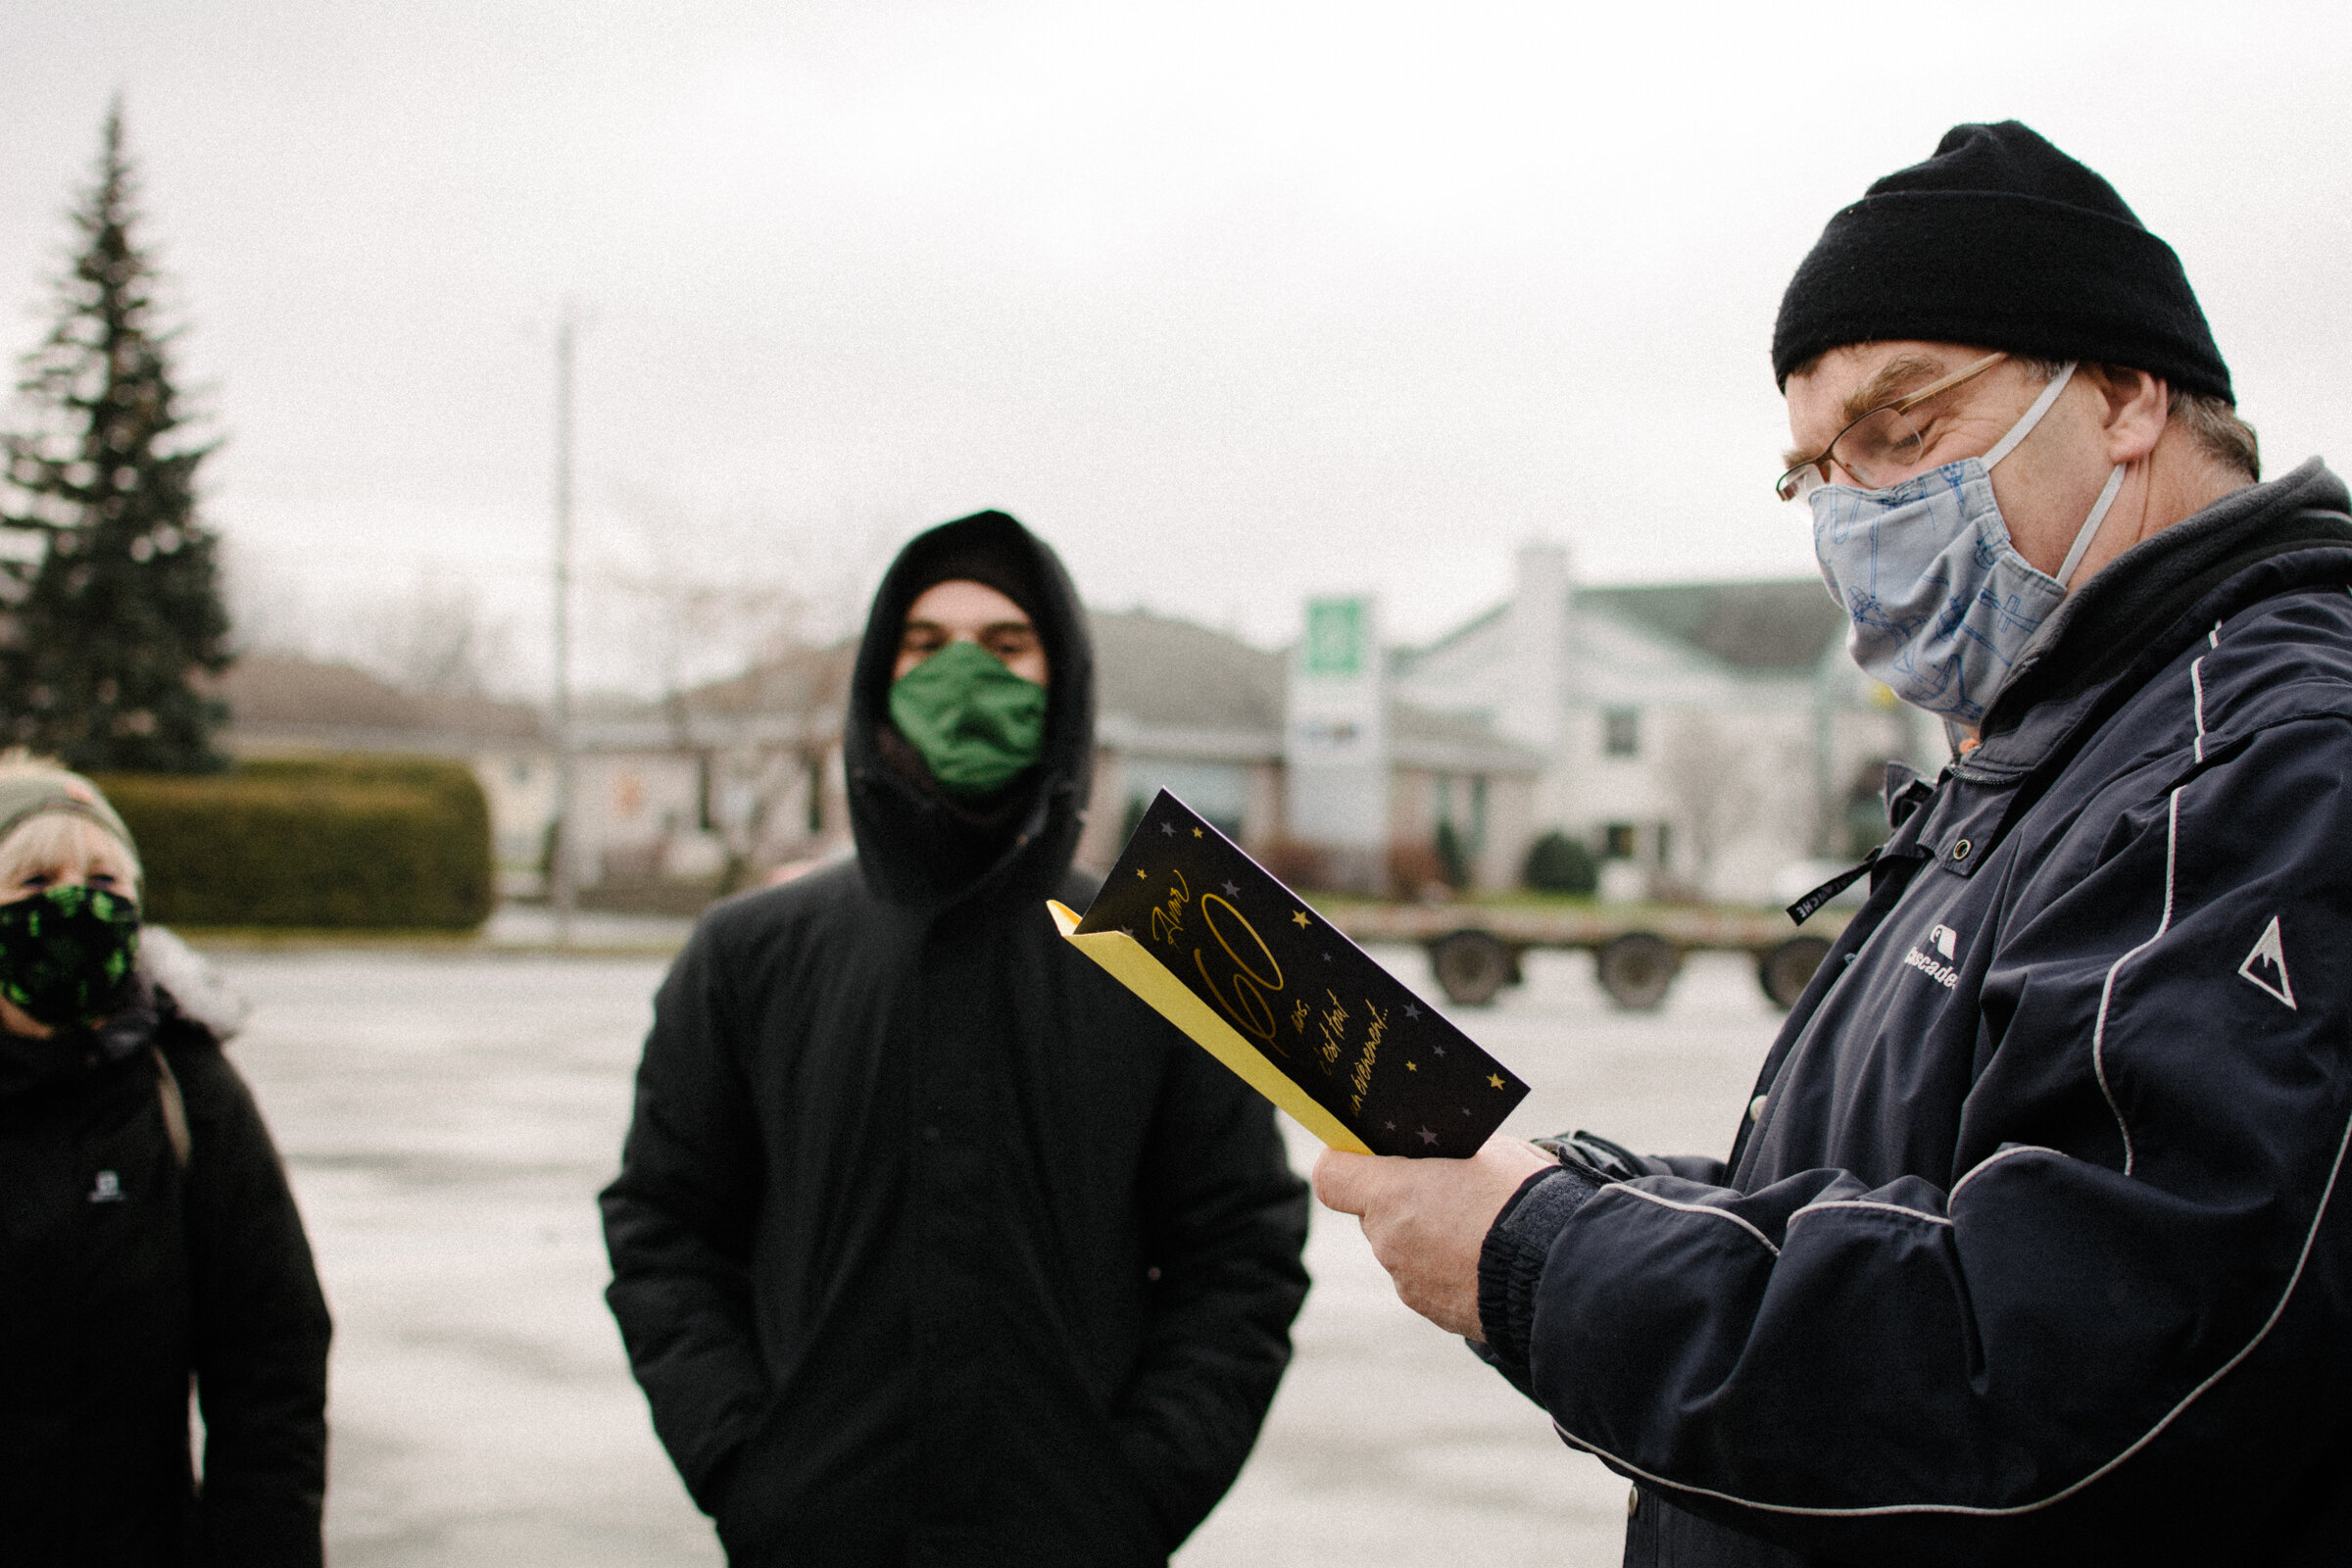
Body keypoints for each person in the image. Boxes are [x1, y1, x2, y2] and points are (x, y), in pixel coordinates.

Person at [1316, 122, 2352, 1564]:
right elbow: (1891, 1193)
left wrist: (1541, 1260)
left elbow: (2057, 1360)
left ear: (2123, 393)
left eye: (1901, 430)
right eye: (1818, 471)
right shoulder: (2055, 749)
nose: (1857, 510)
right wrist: (1586, 1192)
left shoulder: (2267, 765)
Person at [601, 509, 1311, 1566]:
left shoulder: (1167, 958)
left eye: (1006, 645)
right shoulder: (747, 954)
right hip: (812, 1531)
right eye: (927, 646)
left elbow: (1240, 1252)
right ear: (878, 682)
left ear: (1061, 681)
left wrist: (1141, 1491)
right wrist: (746, 1464)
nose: (963, 673)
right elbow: (664, 1226)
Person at [0, 755, 332, 1565]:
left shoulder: (186, 1090)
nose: (76, 901)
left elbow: (271, 1364)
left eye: (106, 881)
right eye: (35, 881)